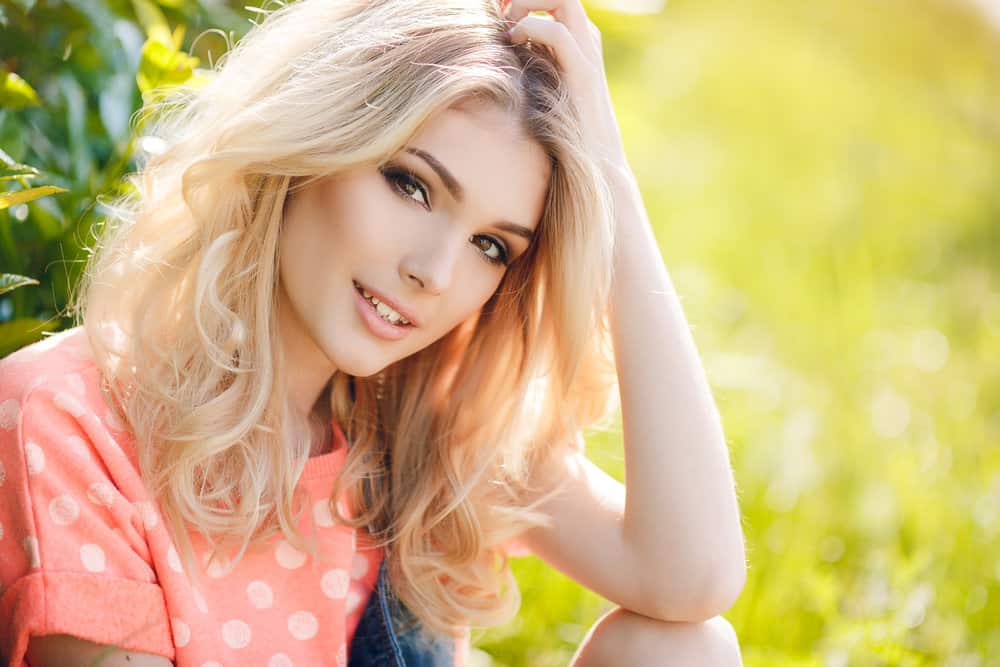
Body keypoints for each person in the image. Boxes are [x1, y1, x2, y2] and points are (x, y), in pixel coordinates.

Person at [0, 0, 747, 664]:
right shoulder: (72, 420)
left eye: (493, 246)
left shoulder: (431, 429)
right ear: (310, 143)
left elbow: (694, 575)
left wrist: (608, 171)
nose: (435, 270)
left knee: (683, 649)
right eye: (411, 185)